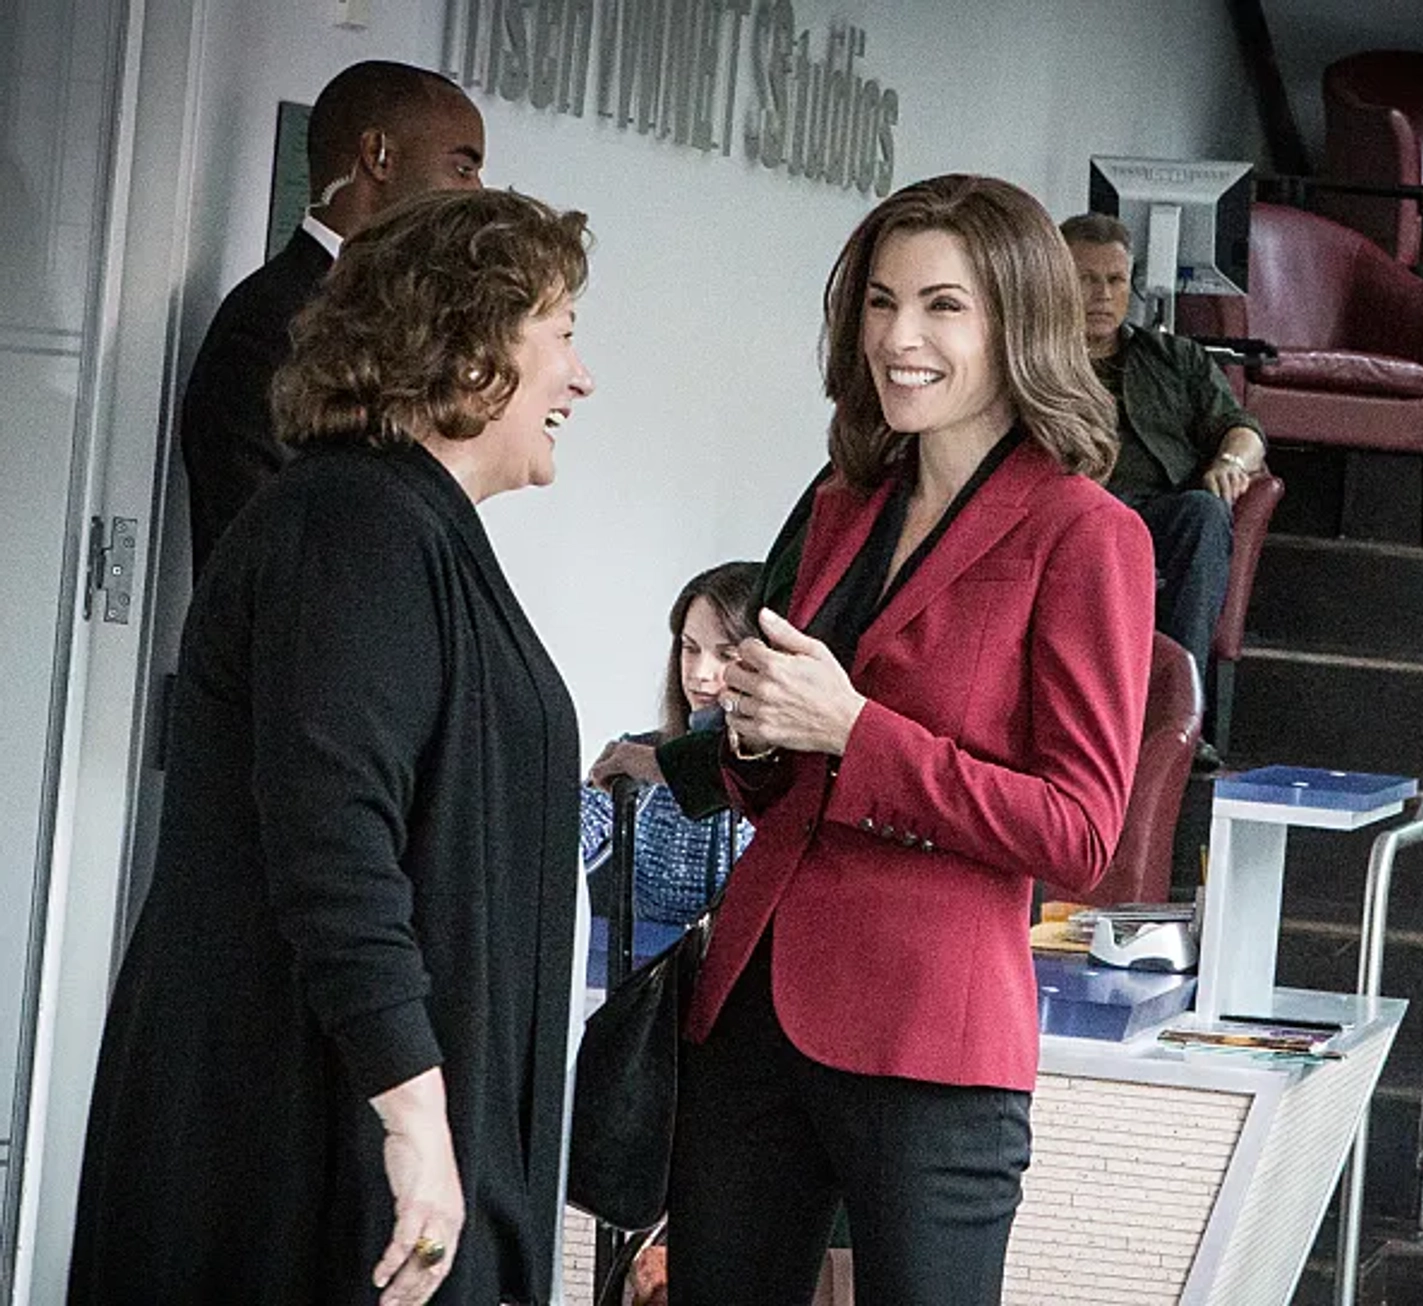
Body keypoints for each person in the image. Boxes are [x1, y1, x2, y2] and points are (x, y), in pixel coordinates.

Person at [70, 189, 594, 1306]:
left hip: (347, 1122)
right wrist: (416, 1131)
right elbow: (335, 844)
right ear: (470, 352)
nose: (579, 378)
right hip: (299, 1140)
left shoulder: (400, 525)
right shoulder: (354, 526)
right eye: (561, 335)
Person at [665, 174, 1157, 1306]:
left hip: (933, 1042)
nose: (900, 337)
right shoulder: (844, 497)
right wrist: (754, 729)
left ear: (1017, 322)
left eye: (943, 305)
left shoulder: (1087, 534)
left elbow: (1081, 831)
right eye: (882, 303)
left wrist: (856, 731)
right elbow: (784, 775)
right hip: (752, 1005)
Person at [181, 59, 486, 576]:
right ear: (379, 156)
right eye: (463, 167)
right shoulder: (270, 326)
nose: (477, 192)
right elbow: (260, 548)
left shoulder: (380, 317)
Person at [1059, 212, 1264, 765]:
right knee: (1092, 517)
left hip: (1161, 512)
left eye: (1115, 281)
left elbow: (1243, 430)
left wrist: (1230, 460)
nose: (1103, 294)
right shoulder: (1035, 362)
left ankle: (1180, 717)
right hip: (1073, 508)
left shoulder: (1176, 358)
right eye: (1085, 279)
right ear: (1054, 279)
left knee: (1203, 513)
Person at [580, 560, 761, 960]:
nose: (699, 673)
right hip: (654, 990)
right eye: (689, 649)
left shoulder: (791, 775)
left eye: (725, 654)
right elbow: (571, 834)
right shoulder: (635, 757)